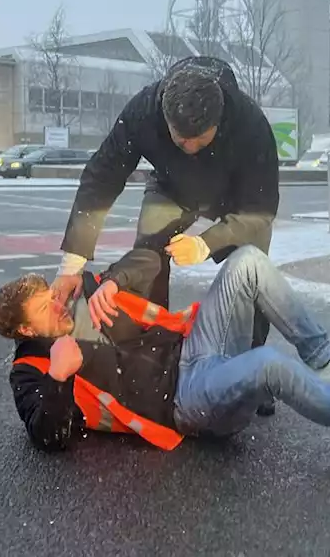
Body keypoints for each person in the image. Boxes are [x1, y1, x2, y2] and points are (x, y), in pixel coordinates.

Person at [0, 244, 330, 483]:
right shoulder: (31, 367)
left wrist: (110, 280)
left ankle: (322, 358)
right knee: (268, 364)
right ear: (26, 331)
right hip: (183, 398)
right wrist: (57, 376)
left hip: (193, 346)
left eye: (50, 294)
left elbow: (148, 256)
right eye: (44, 308)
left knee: (247, 260)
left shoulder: (83, 296)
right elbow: (48, 435)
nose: (57, 304)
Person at [51, 56, 281, 407]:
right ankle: (156, 363)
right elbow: (101, 177)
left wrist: (206, 243)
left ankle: (250, 371)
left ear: (219, 121)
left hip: (237, 198)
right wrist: (72, 265)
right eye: (179, 140)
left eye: (199, 140)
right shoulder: (144, 111)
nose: (189, 148)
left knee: (251, 270)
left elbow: (261, 210)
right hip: (172, 189)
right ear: (164, 115)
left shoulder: (250, 123)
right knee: (147, 258)